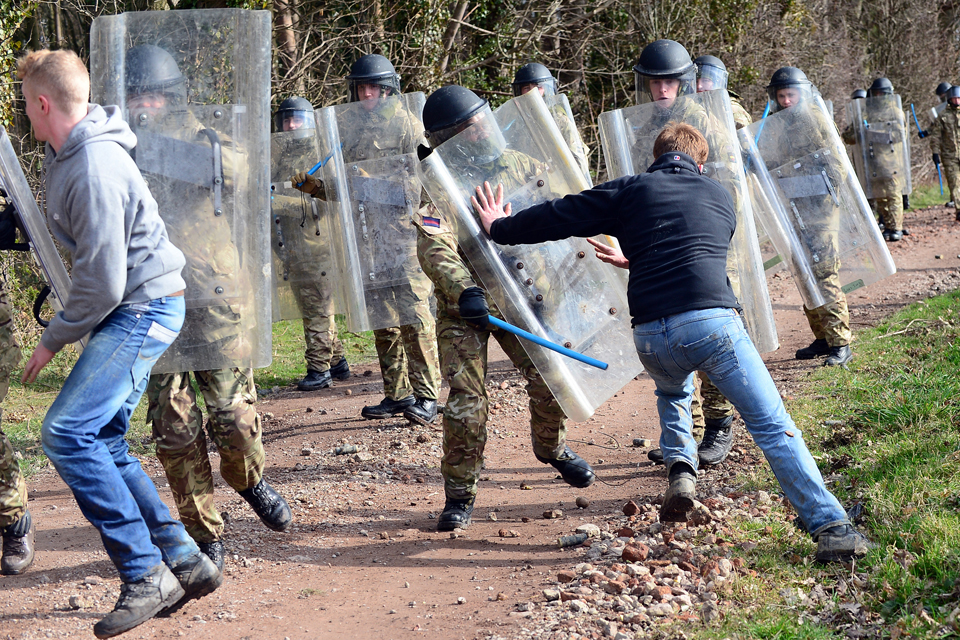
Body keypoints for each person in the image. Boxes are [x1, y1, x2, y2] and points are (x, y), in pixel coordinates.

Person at [473, 121, 871, 564]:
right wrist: (641, 254)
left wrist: (500, 227)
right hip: (710, 326)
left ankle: (682, 470)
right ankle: (831, 526)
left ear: (656, 159)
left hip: (651, 337)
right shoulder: (722, 197)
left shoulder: (632, 189)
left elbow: (561, 213)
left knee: (673, 388)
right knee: (772, 427)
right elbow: (695, 248)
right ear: (700, 163)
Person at [18, 49, 222, 637]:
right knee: (103, 437)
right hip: (135, 305)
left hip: (143, 307)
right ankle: (184, 560)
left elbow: (103, 282)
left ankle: (144, 572)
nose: (25, 118)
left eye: (26, 106)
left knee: (65, 431)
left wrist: (51, 342)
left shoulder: (94, 166)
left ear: (43, 103)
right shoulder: (68, 154)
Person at [123, 44, 292, 572]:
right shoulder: (118, 148)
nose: (139, 105)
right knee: (173, 426)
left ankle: (250, 480)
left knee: (233, 419)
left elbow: (246, 176)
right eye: (133, 96)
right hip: (150, 302)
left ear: (171, 97)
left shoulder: (208, 140)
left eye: (148, 95)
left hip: (215, 298)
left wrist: (179, 156)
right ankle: (201, 530)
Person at [413, 85, 596, 531]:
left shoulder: (525, 166)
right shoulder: (438, 185)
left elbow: (564, 213)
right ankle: (459, 494)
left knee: (552, 380)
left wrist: (583, 274)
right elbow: (434, 247)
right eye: (467, 129)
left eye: (481, 122)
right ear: (448, 139)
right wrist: (462, 291)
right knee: (467, 403)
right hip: (467, 309)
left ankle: (551, 449)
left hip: (522, 296)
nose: (479, 132)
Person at [294, 54, 440, 425]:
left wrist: (366, 183)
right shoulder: (351, 131)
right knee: (384, 320)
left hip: (406, 237)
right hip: (368, 239)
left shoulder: (409, 127)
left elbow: (422, 190)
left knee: (414, 317)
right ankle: (397, 392)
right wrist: (314, 186)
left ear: (390, 89)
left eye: (374, 87)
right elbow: (347, 190)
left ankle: (427, 396)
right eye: (361, 87)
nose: (367, 93)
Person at [765, 67, 853, 367]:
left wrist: (816, 191)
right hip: (793, 208)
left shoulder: (816, 118)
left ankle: (841, 343)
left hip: (820, 209)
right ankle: (822, 337)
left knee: (825, 272)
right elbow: (778, 162)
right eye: (781, 96)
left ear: (802, 94)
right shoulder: (779, 125)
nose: (787, 101)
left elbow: (837, 163)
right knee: (803, 272)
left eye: (791, 94)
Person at [271, 96, 351, 391]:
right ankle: (337, 361)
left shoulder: (321, 152)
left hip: (318, 244)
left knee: (317, 306)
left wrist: (276, 201)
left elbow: (320, 202)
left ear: (310, 121)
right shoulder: (280, 157)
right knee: (312, 305)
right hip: (292, 247)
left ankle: (319, 369)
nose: (291, 125)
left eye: (297, 119)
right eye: (286, 120)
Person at [842, 78, 908, 241]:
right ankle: (887, 225)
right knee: (880, 196)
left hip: (891, 162)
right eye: (876, 93)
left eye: (882, 94)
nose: (879, 97)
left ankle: (896, 228)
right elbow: (850, 138)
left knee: (893, 195)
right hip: (871, 161)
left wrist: (875, 134)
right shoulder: (866, 113)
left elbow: (900, 135)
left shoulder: (895, 112)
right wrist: (853, 132)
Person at [511, 63, 592, 181]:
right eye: (526, 88)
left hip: (562, 186)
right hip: (534, 190)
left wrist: (549, 174)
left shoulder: (560, 121)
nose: (532, 92)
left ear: (546, 89)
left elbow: (579, 164)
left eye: (537, 87)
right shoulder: (518, 125)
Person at [694, 55, 752, 129]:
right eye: (696, 81)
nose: (699, 86)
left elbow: (744, 138)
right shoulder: (688, 103)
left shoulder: (730, 109)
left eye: (705, 81)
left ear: (716, 82)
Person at [930, 85, 960, 217]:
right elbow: (936, 136)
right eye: (954, 99)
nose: (957, 101)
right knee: (954, 183)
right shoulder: (942, 116)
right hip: (950, 155)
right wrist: (935, 152)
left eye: (958, 98)